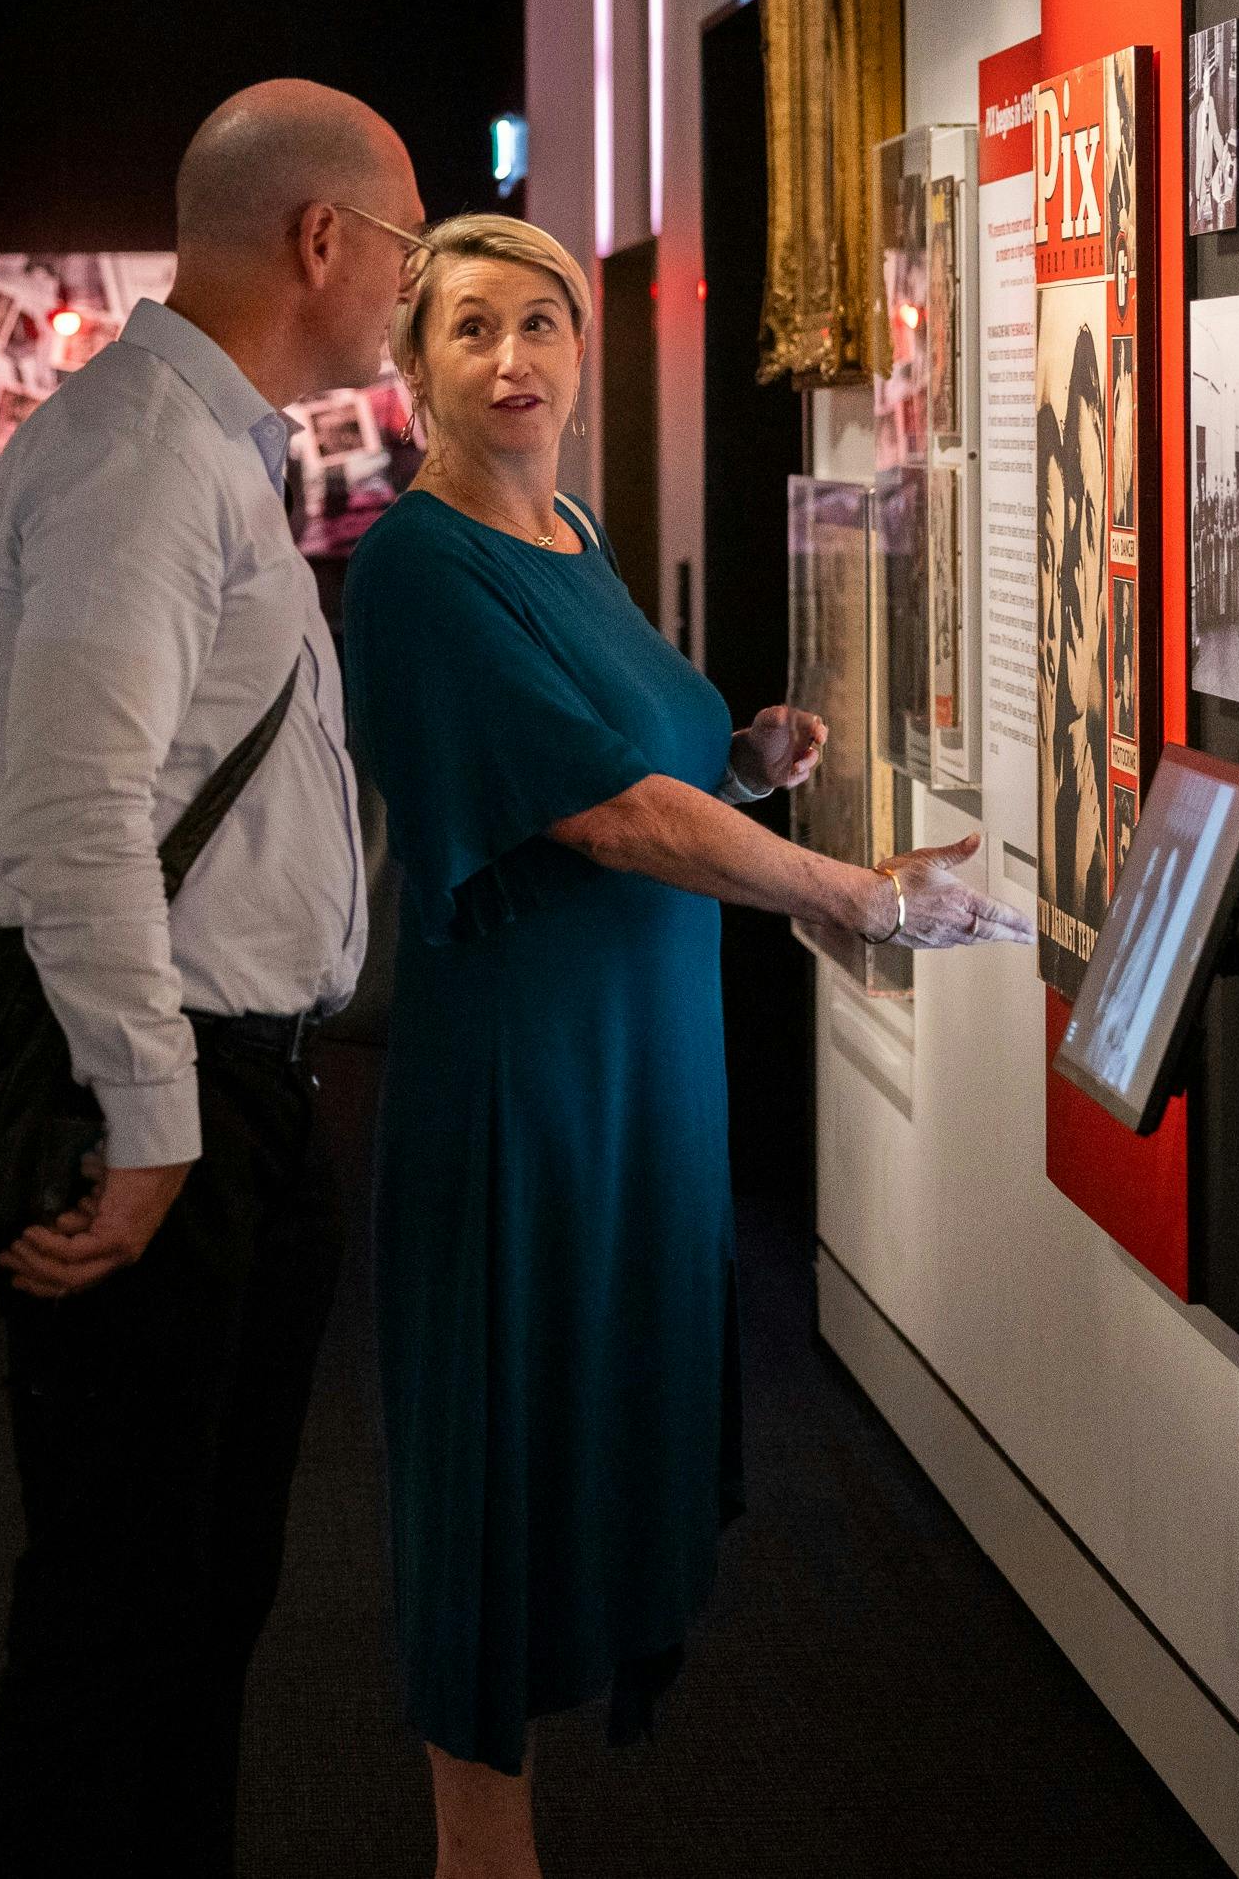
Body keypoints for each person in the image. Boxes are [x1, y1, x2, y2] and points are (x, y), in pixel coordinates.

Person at [339, 212, 1029, 1879]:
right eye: (474, 330)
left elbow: (639, 765)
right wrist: (856, 894)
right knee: (502, 1453)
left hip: (640, 1060)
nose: (514, 361)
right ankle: (476, 1851)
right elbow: (597, 812)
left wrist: (739, 756)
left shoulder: (570, 524)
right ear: (412, 361)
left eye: (544, 326)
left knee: (588, 1409)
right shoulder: (419, 561)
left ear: (587, 351)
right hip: (527, 1080)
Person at [0, 77, 419, 1877]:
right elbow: (73, 816)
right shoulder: (150, 457)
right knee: (123, 1601)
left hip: (225, 1087)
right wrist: (153, 1133)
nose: (403, 284)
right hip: (167, 1095)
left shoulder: (196, 445)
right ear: (323, 239)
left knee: (189, 1590)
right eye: (402, 244)